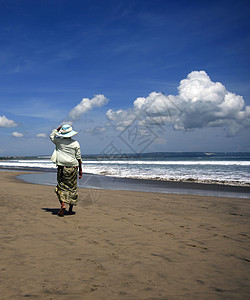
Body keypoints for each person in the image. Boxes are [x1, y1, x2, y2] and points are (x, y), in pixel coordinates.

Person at [50, 124, 82, 216]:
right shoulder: (75, 143)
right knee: (72, 188)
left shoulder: (58, 141)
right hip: (73, 168)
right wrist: (80, 171)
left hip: (62, 168)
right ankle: (70, 210)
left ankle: (63, 205)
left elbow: (51, 135)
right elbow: (79, 158)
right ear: (71, 134)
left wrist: (57, 129)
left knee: (60, 187)